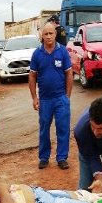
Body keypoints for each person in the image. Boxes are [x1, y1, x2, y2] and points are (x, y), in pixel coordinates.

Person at [29, 22, 73, 170]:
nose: (48, 36)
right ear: (42, 35)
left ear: (55, 34)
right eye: (45, 34)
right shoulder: (37, 54)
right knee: (44, 129)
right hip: (45, 100)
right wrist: (35, 98)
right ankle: (44, 157)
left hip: (61, 98)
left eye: (51, 33)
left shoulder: (63, 52)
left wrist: (67, 96)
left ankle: (62, 158)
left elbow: (69, 74)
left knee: (63, 128)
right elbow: (32, 76)